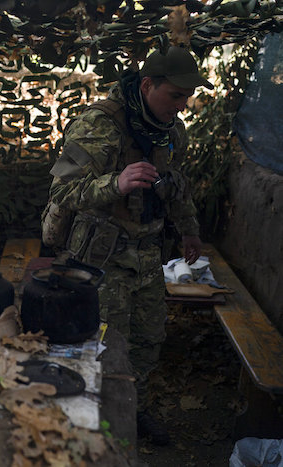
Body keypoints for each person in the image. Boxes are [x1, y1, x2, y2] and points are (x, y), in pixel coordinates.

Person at [42, 46, 212, 445]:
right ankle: (98, 426)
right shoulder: (99, 125)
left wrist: (189, 229)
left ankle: (133, 411)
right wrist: (114, 184)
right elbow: (61, 190)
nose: (182, 105)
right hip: (102, 258)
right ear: (148, 84)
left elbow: (175, 185)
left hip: (148, 254)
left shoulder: (169, 129)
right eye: (175, 95)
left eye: (187, 97)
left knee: (147, 342)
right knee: (102, 346)